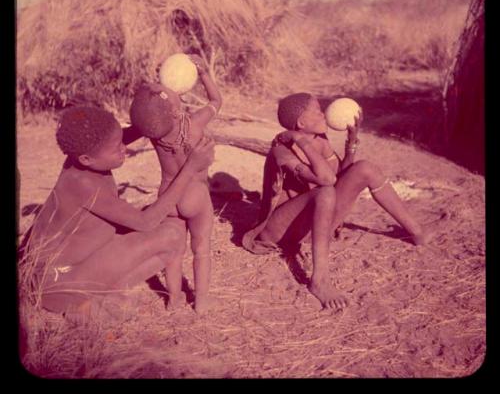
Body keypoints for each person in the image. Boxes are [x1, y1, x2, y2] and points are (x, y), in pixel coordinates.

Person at [20, 105, 215, 321]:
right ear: (86, 159)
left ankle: (98, 294)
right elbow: (146, 222)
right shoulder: (83, 183)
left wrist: (153, 116)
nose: (124, 148)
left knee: (169, 238)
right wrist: (189, 168)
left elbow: (121, 137)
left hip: (66, 269)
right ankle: (82, 304)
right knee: (171, 234)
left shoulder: (83, 157)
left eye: (122, 141)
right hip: (59, 281)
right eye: (116, 148)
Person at [242, 92, 433, 311]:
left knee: (364, 168)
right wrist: (300, 140)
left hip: (311, 224)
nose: (324, 114)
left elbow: (339, 176)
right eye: (317, 111)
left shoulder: (319, 140)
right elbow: (326, 180)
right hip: (280, 230)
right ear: (301, 123)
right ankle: (320, 280)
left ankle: (416, 232)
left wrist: (351, 142)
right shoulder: (281, 151)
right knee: (325, 192)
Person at [129, 54, 222, 314]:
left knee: (174, 253)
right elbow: (217, 100)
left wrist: (152, 93)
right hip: (195, 193)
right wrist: (203, 74)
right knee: (201, 247)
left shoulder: (153, 132)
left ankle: (174, 299)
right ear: (176, 110)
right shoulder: (193, 124)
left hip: (167, 195)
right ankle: (201, 300)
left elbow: (148, 114)